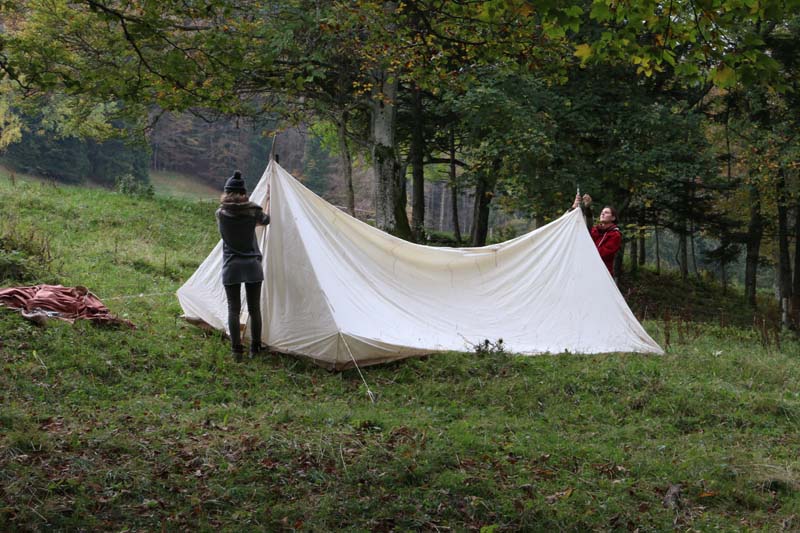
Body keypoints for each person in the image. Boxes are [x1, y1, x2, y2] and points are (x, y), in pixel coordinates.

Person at [217, 170, 270, 361]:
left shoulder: (221, 214)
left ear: (227, 192)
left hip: (231, 267)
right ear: (243, 193)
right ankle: (255, 349)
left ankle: (236, 351)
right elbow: (266, 220)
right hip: (252, 266)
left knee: (233, 309)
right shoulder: (253, 211)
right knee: (254, 309)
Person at [572, 193, 622, 276]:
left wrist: (585, 250)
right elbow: (586, 228)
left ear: (613, 218)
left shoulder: (615, 235)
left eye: (606, 213)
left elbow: (603, 254)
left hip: (603, 273)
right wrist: (585, 207)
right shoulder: (596, 230)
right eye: (602, 212)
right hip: (587, 270)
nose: (602, 214)